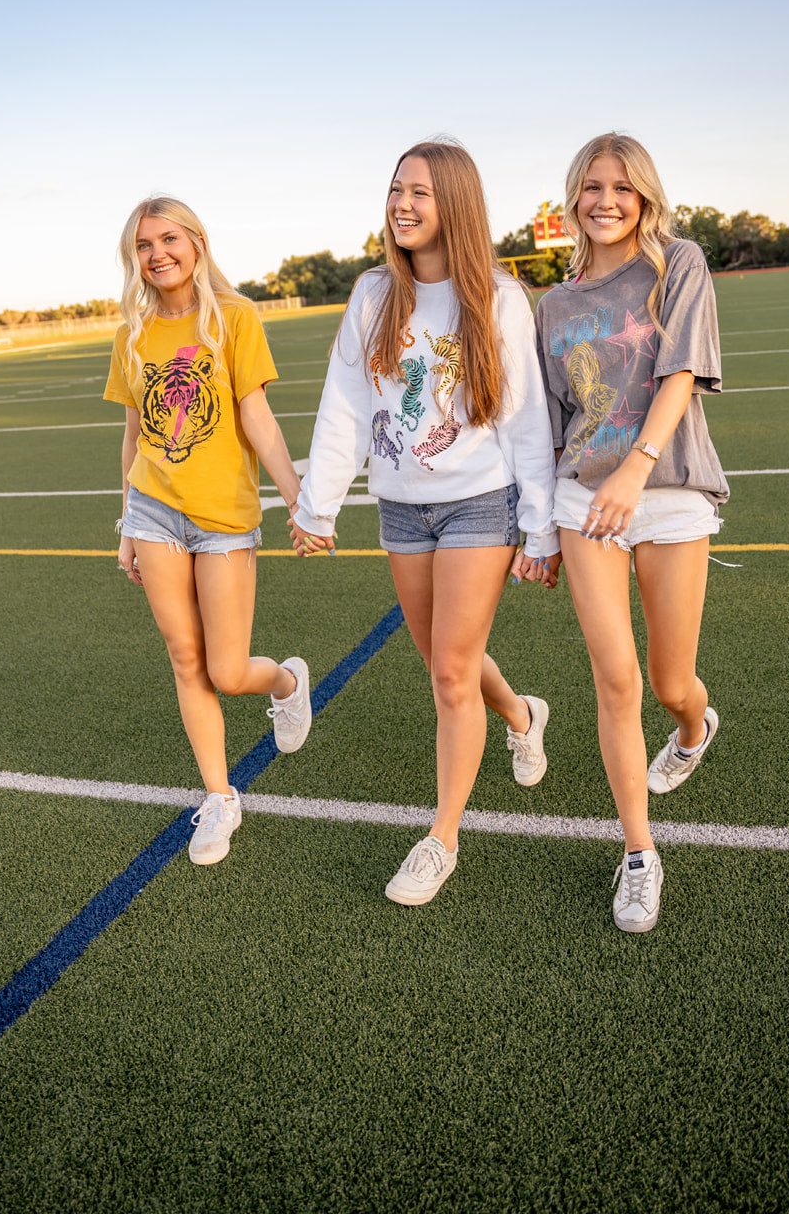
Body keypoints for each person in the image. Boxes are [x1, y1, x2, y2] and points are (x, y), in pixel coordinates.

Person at [290, 140, 560, 906]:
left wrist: (537, 529)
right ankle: (520, 711)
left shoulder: (499, 299)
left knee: (447, 669)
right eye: (394, 190)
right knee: (449, 659)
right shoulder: (374, 294)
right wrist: (319, 505)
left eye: (420, 192)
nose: (402, 204)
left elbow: (526, 419)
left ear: (455, 205)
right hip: (401, 506)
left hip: (481, 500)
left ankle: (440, 838)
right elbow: (345, 404)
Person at [517, 132, 728, 933]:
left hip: (667, 490)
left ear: (642, 194)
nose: (605, 200)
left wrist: (637, 467)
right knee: (616, 681)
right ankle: (639, 853)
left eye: (620, 187)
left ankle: (692, 727)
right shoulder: (553, 305)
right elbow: (546, 424)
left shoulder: (678, 263)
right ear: (573, 199)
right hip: (581, 503)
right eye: (590, 187)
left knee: (672, 685)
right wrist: (537, 530)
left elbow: (679, 372)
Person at [104, 196, 310, 866]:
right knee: (184, 658)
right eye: (143, 245)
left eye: (168, 239)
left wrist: (294, 494)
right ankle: (219, 797)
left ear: (196, 242)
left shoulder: (235, 317)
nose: (157, 254)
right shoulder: (132, 332)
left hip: (223, 517)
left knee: (225, 668)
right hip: (154, 511)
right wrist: (126, 521)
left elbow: (256, 415)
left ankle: (283, 683)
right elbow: (135, 430)